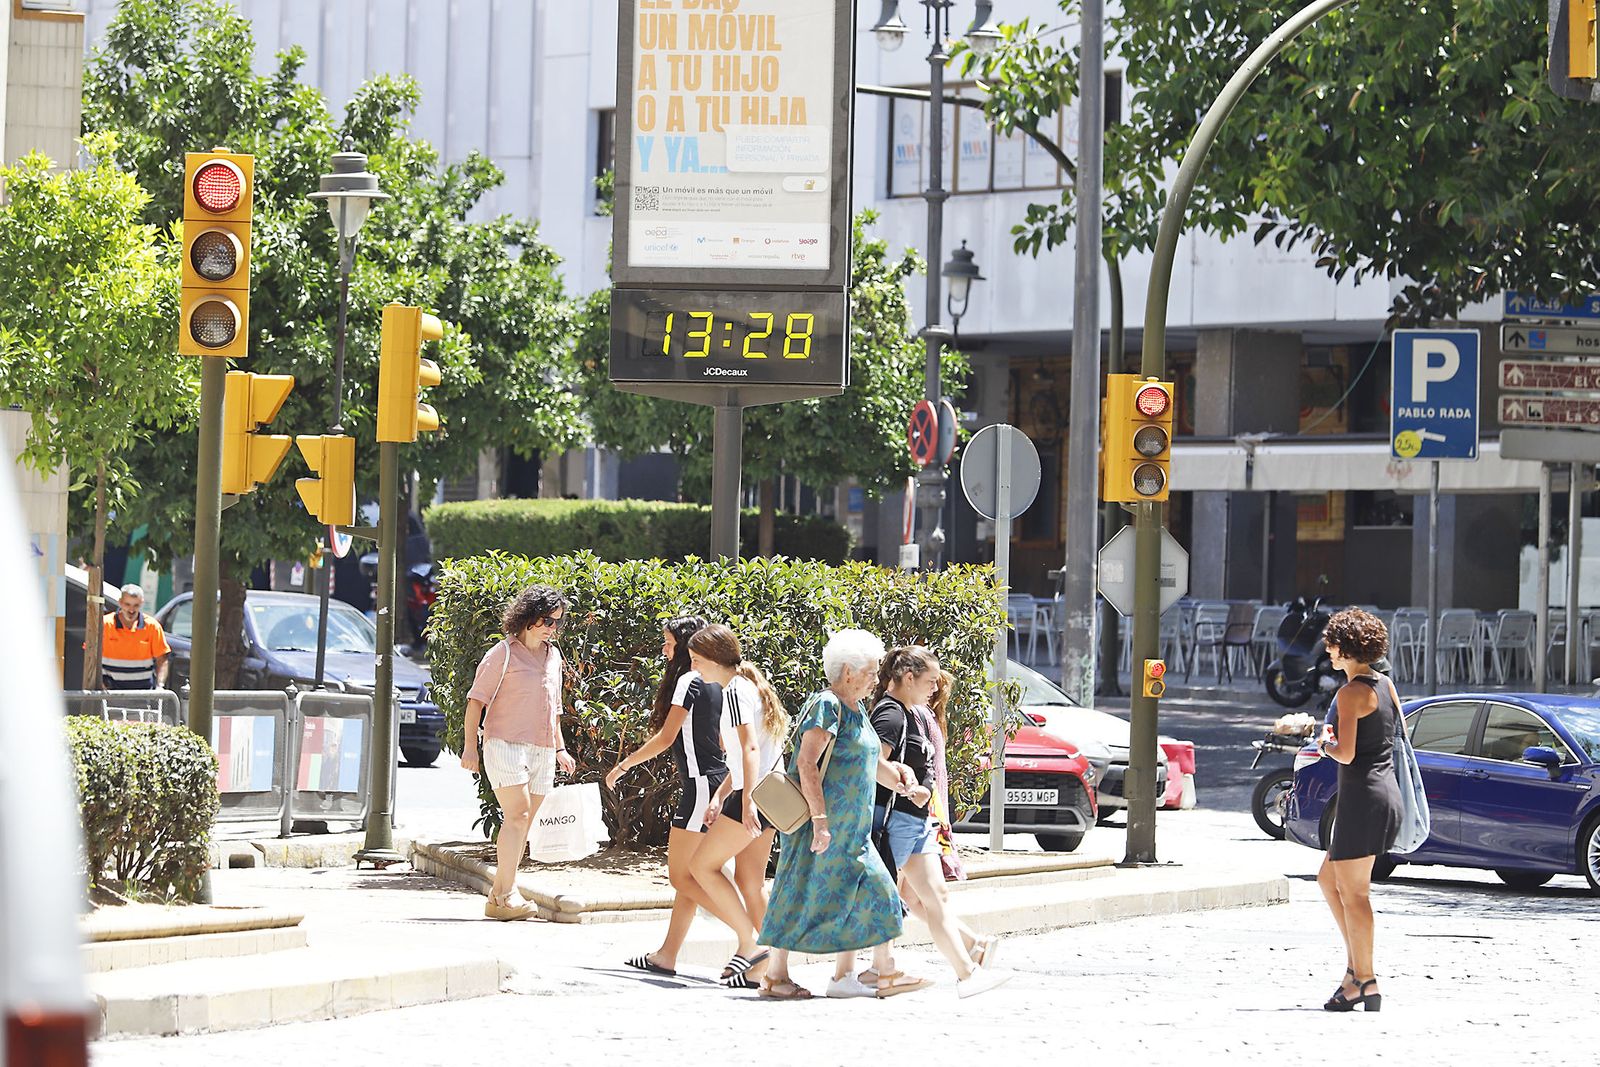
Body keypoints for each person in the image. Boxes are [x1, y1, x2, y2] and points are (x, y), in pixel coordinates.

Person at [757, 629, 927, 1001]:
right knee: (805, 891)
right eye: (870, 671)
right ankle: (881, 971)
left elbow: (868, 762)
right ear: (848, 671)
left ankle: (860, 973)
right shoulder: (827, 705)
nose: (875, 678)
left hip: (852, 830)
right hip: (823, 827)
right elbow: (806, 763)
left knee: (823, 892)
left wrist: (901, 780)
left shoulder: (857, 709)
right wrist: (820, 821)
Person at [865, 647, 1011, 998]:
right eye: (930, 680)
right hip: (894, 819)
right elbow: (872, 765)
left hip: (914, 822)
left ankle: (962, 971)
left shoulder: (911, 713)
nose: (935, 687)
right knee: (886, 896)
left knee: (935, 897)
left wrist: (922, 790)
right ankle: (882, 969)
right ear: (908, 677)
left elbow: (921, 766)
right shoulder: (891, 715)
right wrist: (908, 786)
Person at [605, 615, 737, 978]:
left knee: (682, 877)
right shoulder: (717, 682)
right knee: (691, 876)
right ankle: (667, 955)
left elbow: (666, 738)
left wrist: (623, 765)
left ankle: (754, 941)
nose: (664, 649)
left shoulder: (689, 680)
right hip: (718, 781)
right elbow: (724, 739)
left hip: (700, 786)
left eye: (668, 643)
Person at [460, 585, 576, 921]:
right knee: (518, 813)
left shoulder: (553, 656)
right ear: (527, 617)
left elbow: (553, 707)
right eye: (546, 620)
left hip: (542, 748)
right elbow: (475, 702)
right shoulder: (502, 653)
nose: (552, 628)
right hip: (504, 743)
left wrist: (561, 748)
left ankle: (500, 895)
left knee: (524, 821)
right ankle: (506, 893)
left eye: (557, 622)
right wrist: (470, 747)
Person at [684, 625, 788, 988]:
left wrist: (744, 803)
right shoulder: (748, 688)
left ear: (714, 659)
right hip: (768, 797)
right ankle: (772, 968)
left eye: (697, 661)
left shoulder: (733, 693)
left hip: (755, 797)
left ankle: (751, 943)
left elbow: (750, 750)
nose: (695, 668)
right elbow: (755, 752)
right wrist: (721, 794)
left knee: (700, 866)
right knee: (749, 881)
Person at [1315, 608, 1400, 1013]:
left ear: (1347, 648)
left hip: (1363, 799)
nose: (1328, 651)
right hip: (1382, 794)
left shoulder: (1349, 693)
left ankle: (1364, 979)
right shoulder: (1385, 685)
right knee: (1329, 881)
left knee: (1355, 893)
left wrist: (1322, 743)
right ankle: (1355, 971)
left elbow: (1345, 753)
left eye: (1332, 644)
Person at [100, 585, 170, 690]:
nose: (131, 610)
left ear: (142, 603)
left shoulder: (152, 627)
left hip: (143, 692)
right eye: (127, 604)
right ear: (120, 602)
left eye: (136, 605)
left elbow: (162, 659)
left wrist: (160, 686)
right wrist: (99, 685)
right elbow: (91, 655)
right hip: (110, 691)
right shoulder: (105, 624)